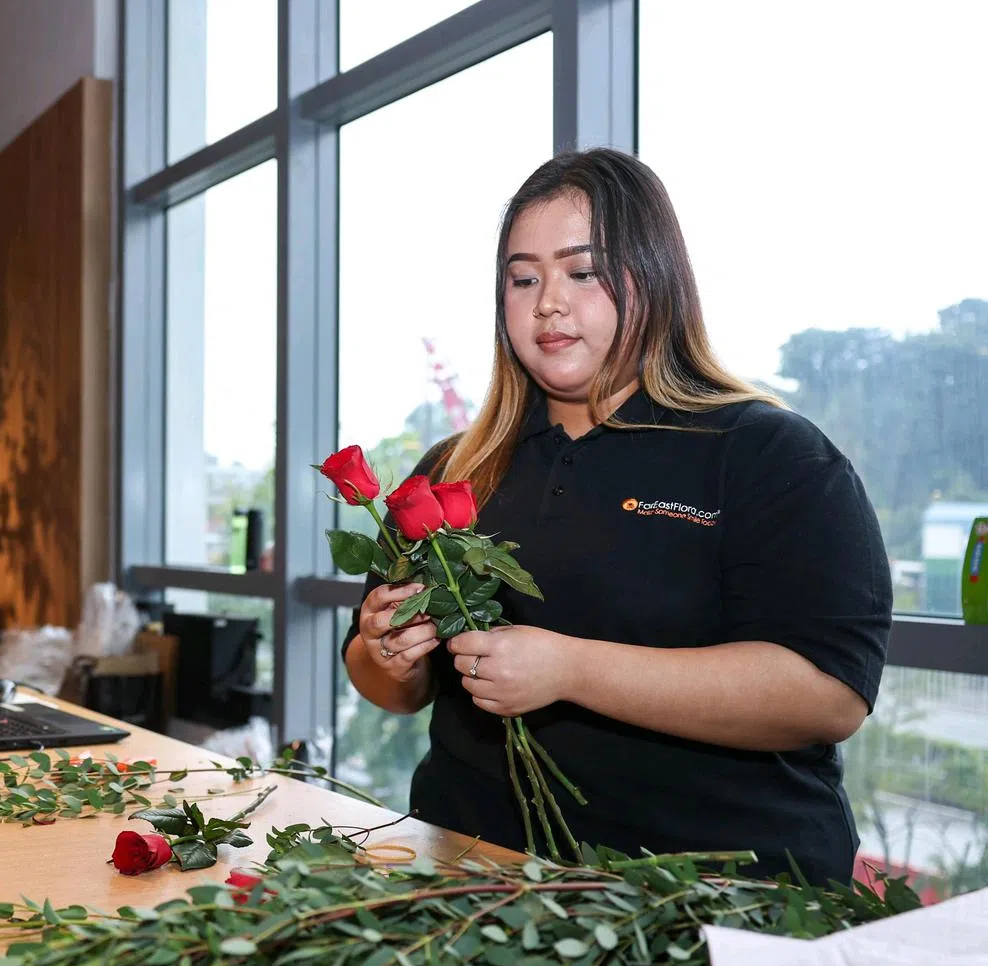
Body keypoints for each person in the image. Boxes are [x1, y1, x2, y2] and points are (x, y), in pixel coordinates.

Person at [341, 148, 892, 886]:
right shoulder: (452, 469)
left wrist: (570, 668)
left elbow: (827, 696)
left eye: (583, 271)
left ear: (656, 279)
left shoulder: (767, 453)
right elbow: (383, 685)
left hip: (713, 892)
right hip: (474, 878)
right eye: (523, 277)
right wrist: (386, 654)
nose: (548, 304)